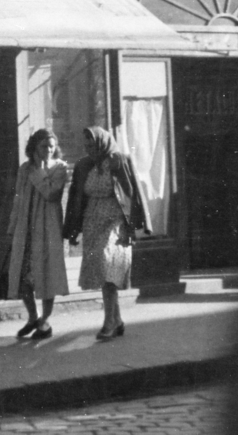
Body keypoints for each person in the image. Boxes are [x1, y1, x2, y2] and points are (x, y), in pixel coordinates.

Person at [62, 127, 146, 341]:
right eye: (86, 145)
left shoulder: (119, 161)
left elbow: (132, 194)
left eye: (94, 145)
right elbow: (75, 198)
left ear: (104, 143)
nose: (90, 149)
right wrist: (73, 229)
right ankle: (116, 320)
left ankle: (108, 323)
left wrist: (132, 228)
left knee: (106, 265)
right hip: (92, 222)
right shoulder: (83, 166)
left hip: (115, 222)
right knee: (103, 271)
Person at [7, 128, 69, 339]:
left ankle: (45, 321)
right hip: (26, 229)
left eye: (52, 146)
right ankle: (33, 317)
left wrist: (41, 169)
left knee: (47, 274)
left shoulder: (59, 168)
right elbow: (18, 198)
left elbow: (51, 193)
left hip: (48, 228)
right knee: (24, 277)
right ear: (34, 147)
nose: (49, 150)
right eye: (44, 146)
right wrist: (12, 226)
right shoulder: (24, 169)